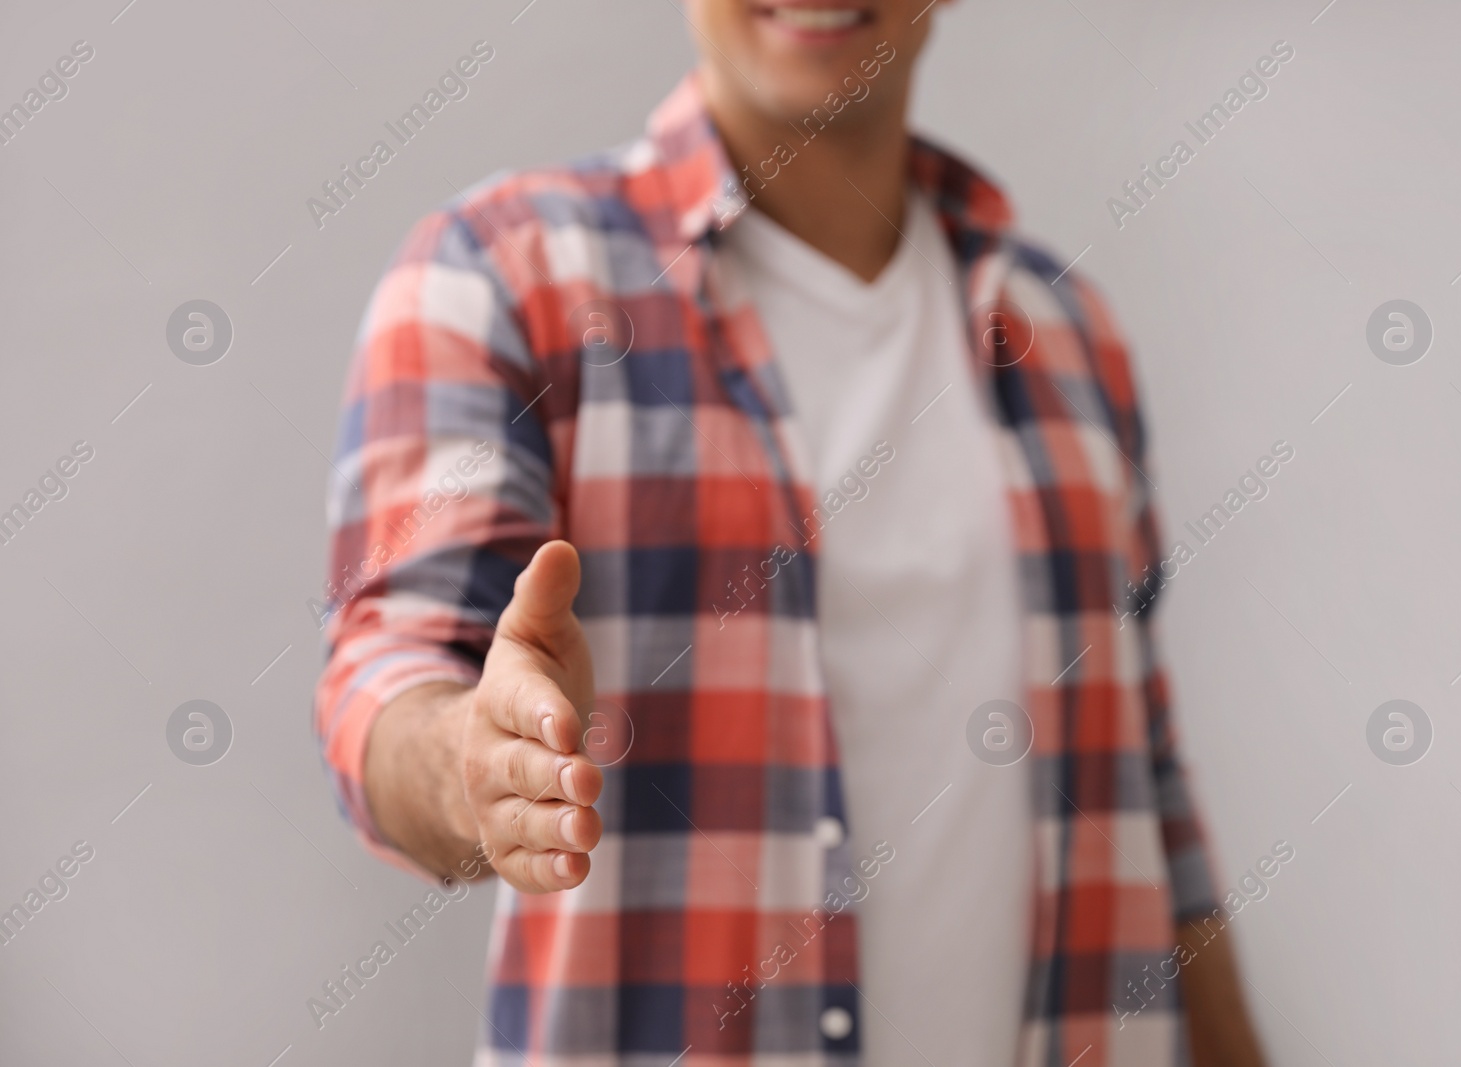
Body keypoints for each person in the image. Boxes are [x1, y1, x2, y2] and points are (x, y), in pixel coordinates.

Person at [314, 1, 1268, 1063]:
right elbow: (389, 673)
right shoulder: (500, 278)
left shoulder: (1066, 338)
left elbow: (1145, 784)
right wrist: (475, 763)